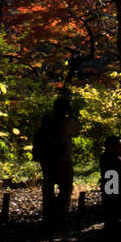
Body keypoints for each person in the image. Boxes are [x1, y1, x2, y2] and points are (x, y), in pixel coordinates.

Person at [34, 96, 79, 226]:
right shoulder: (67, 121)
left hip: (46, 158)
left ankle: (48, 214)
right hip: (63, 158)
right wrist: (72, 114)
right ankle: (59, 214)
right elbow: (78, 129)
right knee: (65, 187)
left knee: (48, 185)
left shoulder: (46, 119)